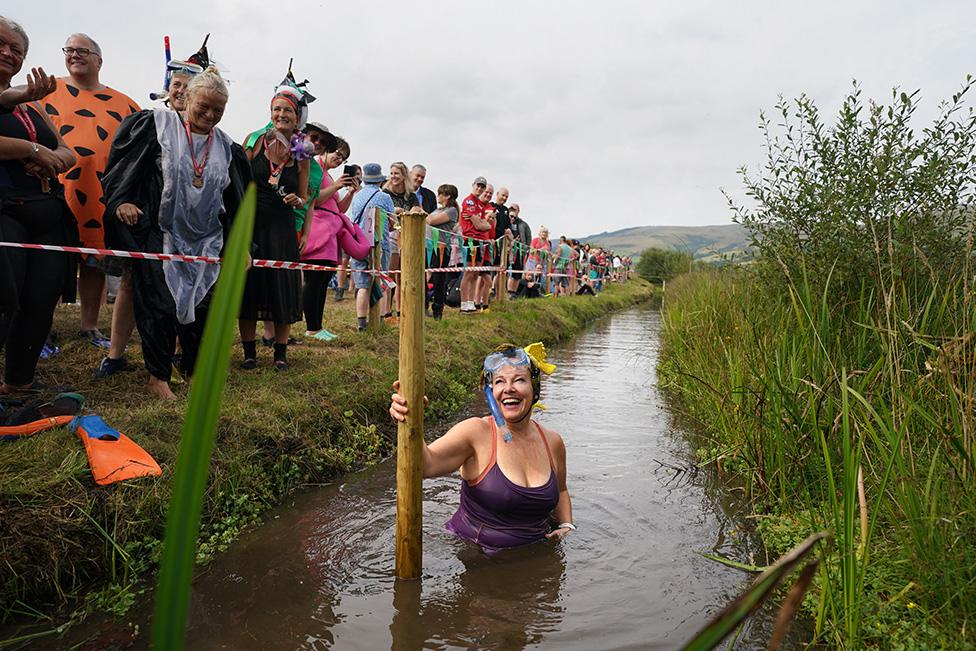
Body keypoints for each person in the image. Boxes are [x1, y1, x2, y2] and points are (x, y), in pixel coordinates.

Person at [101, 67, 250, 399]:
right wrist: (123, 201)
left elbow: (235, 200)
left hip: (206, 239)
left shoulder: (227, 148)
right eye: (204, 106)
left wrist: (242, 245)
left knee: (202, 307)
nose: (210, 115)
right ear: (186, 97)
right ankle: (158, 377)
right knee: (161, 304)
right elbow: (124, 169)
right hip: (162, 232)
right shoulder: (156, 127)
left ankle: (194, 373)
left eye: (218, 110)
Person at [96, 36, 215, 379]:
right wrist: (122, 201)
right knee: (136, 284)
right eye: (176, 84)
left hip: (191, 228)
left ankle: (177, 355)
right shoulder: (149, 123)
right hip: (150, 221)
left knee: (186, 288)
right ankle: (116, 354)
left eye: (189, 86)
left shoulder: (212, 138)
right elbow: (123, 167)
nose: (181, 91)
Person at [389, 343, 574, 553]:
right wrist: (410, 421)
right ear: (491, 391)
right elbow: (424, 467)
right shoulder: (476, 432)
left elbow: (561, 490)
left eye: (519, 380)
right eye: (499, 382)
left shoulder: (552, 441)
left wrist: (567, 525)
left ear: (535, 388)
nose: (508, 388)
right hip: (476, 559)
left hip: (536, 558)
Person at [45, 33, 140, 348]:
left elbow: (137, 151)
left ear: (99, 60)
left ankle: (89, 325)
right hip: (55, 193)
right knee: (50, 264)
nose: (74, 55)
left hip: (101, 197)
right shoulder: (46, 92)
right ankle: (44, 327)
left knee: (94, 261)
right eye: (69, 49)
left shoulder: (125, 104)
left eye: (82, 50)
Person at [0, 16, 77, 395]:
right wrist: (31, 149)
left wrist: (54, 158)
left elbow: (69, 151)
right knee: (3, 297)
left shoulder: (33, 107)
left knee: (39, 300)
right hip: (5, 211)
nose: (7, 52)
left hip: (46, 213)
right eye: (1, 44)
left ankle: (19, 383)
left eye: (16, 49)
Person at [238, 69, 312, 370]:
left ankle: (280, 353)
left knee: (282, 285)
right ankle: (249, 352)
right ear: (270, 112)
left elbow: (306, 196)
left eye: (287, 111)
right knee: (249, 284)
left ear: (296, 117)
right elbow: (238, 182)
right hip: (253, 221)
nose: (281, 114)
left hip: (282, 225)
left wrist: (299, 199)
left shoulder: (303, 151)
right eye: (277, 109)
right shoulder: (253, 141)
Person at [300, 135, 370, 341]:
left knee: (322, 281)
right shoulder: (314, 169)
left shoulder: (328, 175)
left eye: (344, 158)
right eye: (338, 154)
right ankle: (312, 327)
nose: (339, 160)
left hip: (330, 231)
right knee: (314, 280)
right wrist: (337, 186)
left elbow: (338, 208)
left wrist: (349, 193)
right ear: (326, 149)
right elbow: (314, 199)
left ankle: (317, 326)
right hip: (317, 231)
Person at [348, 162, 395, 331]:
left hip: (359, 243)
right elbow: (392, 222)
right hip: (380, 243)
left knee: (362, 285)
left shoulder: (358, 196)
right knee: (380, 281)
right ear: (380, 180)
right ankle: (379, 320)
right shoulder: (385, 197)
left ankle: (361, 323)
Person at [382, 161, 419, 321]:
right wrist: (394, 211)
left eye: (396, 173)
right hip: (390, 235)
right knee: (390, 274)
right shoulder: (385, 192)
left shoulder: (411, 195)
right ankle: (387, 313)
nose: (393, 176)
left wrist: (412, 210)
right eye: (391, 173)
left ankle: (401, 311)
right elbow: (381, 212)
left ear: (404, 175)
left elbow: (418, 210)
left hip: (407, 236)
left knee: (403, 275)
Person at [425, 183, 459, 320]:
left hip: (440, 248)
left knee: (439, 280)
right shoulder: (438, 209)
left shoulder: (452, 211)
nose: (438, 196)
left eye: (440, 194)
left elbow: (431, 221)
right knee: (423, 275)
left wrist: (421, 212)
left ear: (447, 195)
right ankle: (424, 303)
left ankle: (438, 309)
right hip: (427, 246)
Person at [458, 176, 490, 314]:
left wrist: (483, 224)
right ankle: (464, 303)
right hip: (470, 239)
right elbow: (479, 225)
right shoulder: (469, 201)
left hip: (480, 241)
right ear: (473, 185)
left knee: (476, 272)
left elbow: (484, 224)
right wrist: (483, 224)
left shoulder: (480, 205)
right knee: (469, 272)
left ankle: (470, 302)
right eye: (478, 185)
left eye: (482, 187)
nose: (480, 189)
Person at [507, 203, 530, 295]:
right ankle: (508, 291)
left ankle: (514, 293)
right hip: (509, 249)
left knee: (518, 273)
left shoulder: (523, 224)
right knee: (508, 272)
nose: (513, 211)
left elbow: (528, 237)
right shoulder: (507, 221)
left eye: (515, 209)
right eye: (511, 208)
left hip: (520, 251)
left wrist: (526, 248)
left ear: (518, 211)